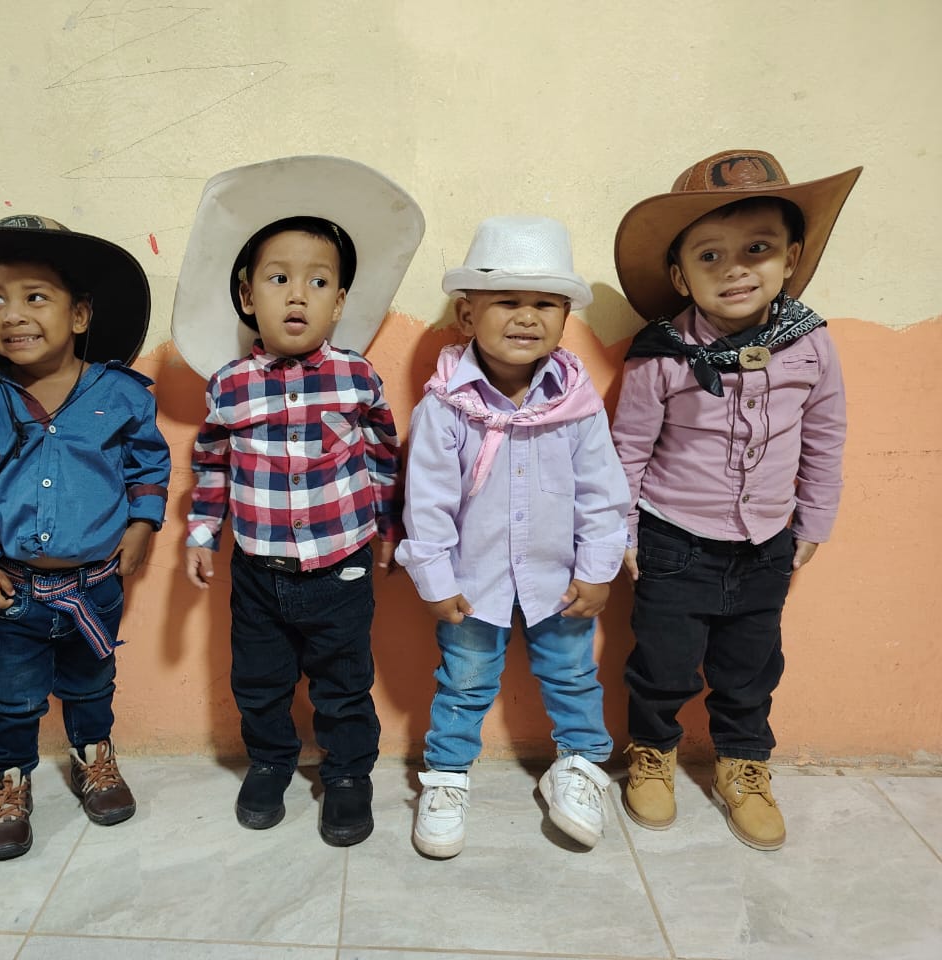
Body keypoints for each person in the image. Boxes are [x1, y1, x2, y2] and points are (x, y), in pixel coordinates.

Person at [611, 149, 861, 850]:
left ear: (791, 259)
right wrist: (621, 533)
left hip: (766, 543)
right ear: (679, 275)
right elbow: (626, 450)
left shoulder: (810, 344)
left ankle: (742, 766)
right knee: (662, 663)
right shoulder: (661, 353)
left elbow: (825, 436)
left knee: (750, 668)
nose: (735, 269)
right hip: (673, 540)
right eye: (710, 255)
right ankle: (652, 753)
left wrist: (815, 520)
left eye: (758, 249)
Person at [173, 155, 425, 846]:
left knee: (344, 682)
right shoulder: (229, 384)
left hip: (342, 566)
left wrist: (388, 529)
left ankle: (346, 775)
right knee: (259, 680)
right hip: (259, 570)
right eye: (278, 278)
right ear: (247, 295)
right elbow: (212, 463)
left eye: (318, 282)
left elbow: (382, 454)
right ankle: (270, 762)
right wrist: (201, 534)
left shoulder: (355, 377)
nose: (297, 295)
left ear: (339, 303)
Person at [0, 214, 170, 861]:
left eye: (35, 297)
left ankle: (94, 757)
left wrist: (143, 523)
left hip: (96, 585)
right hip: (15, 591)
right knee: (11, 696)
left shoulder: (121, 395)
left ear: (79, 314)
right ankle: (8, 783)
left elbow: (147, 463)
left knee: (92, 681)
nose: (12, 314)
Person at [396, 216, 629, 857]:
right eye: (508, 302)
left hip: (560, 580)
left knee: (574, 676)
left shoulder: (577, 405)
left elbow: (603, 492)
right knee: (464, 681)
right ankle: (446, 778)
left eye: (546, 305)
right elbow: (427, 502)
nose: (527, 317)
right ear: (467, 315)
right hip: (474, 584)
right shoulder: (444, 408)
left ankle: (579, 767)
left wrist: (598, 569)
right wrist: (435, 580)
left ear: (564, 318)